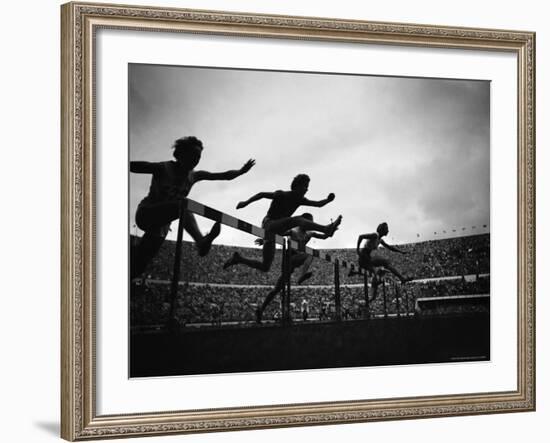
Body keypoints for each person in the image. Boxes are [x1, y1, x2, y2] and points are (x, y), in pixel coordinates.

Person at [130, 136, 255, 279]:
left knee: (139, 265)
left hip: (161, 226)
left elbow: (222, 176)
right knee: (184, 205)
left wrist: (240, 171)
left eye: (199, 157)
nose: (196, 160)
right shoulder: (163, 168)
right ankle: (200, 241)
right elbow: (135, 166)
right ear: (180, 154)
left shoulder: (194, 176)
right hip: (146, 213)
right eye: (193, 156)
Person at [223, 174, 342, 273]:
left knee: (265, 267)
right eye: (305, 186)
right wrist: (246, 202)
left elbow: (318, 204)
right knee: (297, 220)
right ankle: (325, 228)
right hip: (269, 223)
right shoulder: (282, 194)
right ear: (297, 186)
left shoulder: (300, 200)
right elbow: (262, 194)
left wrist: (328, 200)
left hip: (277, 231)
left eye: (307, 187)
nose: (307, 189)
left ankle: (238, 259)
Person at [253, 213, 330, 323]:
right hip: (288, 257)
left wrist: (331, 230)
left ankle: (261, 309)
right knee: (310, 254)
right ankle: (302, 276)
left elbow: (324, 236)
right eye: (308, 223)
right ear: (303, 221)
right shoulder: (293, 230)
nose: (309, 225)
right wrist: (264, 240)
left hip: (295, 260)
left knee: (278, 288)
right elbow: (278, 234)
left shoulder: (310, 233)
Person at [349, 222, 412, 286]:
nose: (388, 231)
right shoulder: (375, 235)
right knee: (383, 264)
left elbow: (390, 247)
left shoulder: (380, 240)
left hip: (367, 258)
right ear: (382, 230)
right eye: (387, 229)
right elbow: (361, 236)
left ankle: (354, 272)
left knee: (376, 271)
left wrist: (401, 251)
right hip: (363, 257)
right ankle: (401, 278)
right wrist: (357, 249)